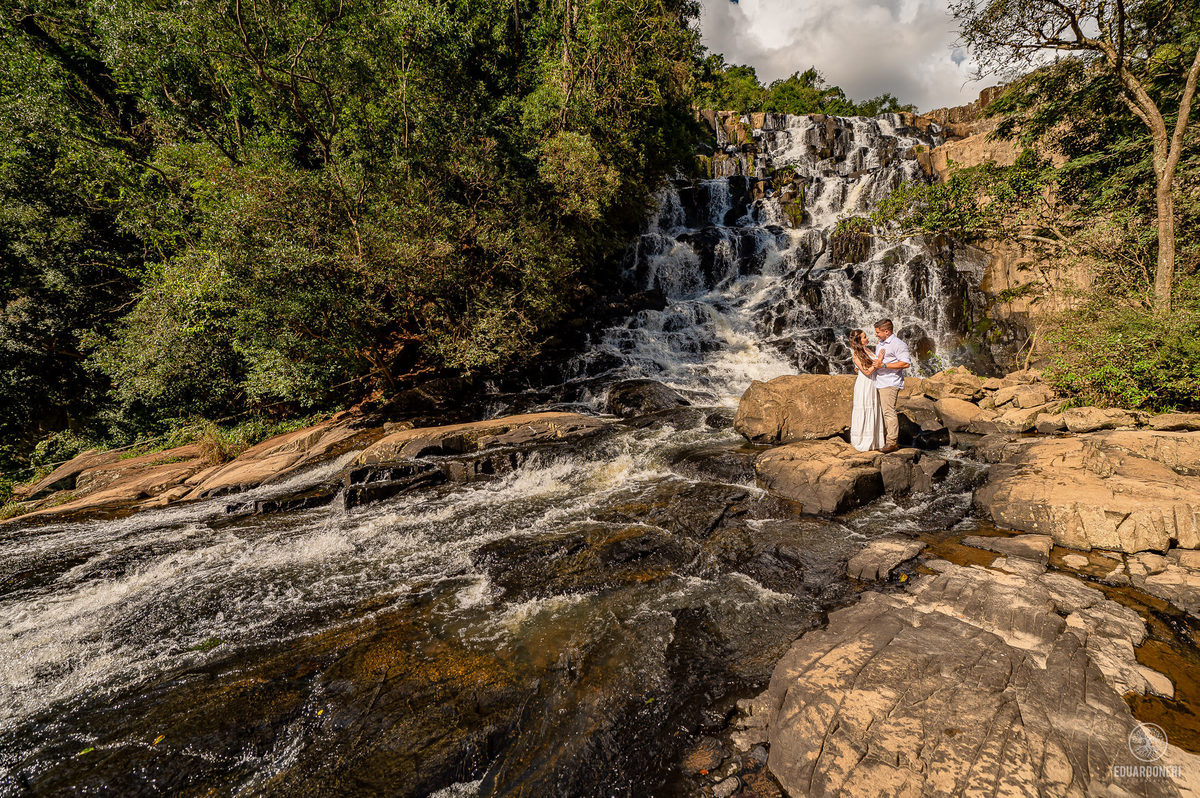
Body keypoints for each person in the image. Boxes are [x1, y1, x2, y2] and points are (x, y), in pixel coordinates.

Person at [873, 319, 910, 453]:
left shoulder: (898, 344)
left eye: (878, 332)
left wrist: (883, 365)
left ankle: (892, 442)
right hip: (879, 381)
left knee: (888, 412)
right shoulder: (881, 343)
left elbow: (905, 363)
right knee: (882, 412)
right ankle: (882, 438)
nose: (875, 334)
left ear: (887, 331)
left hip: (890, 382)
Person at [847, 329, 886, 451]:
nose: (867, 338)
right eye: (864, 337)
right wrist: (879, 361)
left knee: (874, 409)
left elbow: (860, 368)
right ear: (858, 341)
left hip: (873, 383)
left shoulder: (867, 350)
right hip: (865, 384)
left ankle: (875, 442)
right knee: (865, 409)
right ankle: (863, 442)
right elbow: (867, 372)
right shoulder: (856, 354)